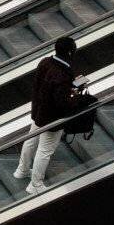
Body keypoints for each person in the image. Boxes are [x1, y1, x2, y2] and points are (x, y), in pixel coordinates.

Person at [13, 36, 89, 195]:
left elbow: (44, 87)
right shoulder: (62, 74)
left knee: (31, 140)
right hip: (52, 118)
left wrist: (69, 87)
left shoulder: (45, 62)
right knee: (45, 150)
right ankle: (35, 184)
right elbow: (62, 103)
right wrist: (76, 95)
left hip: (39, 111)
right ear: (70, 51)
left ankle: (22, 170)